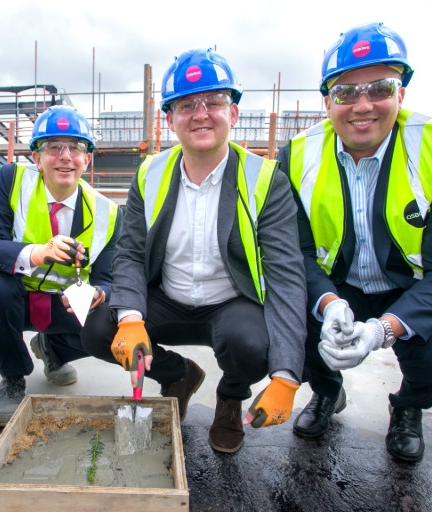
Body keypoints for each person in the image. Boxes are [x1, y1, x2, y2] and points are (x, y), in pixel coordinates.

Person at [279, 22, 432, 463]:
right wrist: (328, 303)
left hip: (417, 287)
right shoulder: (299, 154)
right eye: (346, 92)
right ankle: (328, 392)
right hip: (341, 286)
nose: (362, 105)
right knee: (283, 318)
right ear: (327, 101)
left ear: (400, 93)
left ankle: (407, 407)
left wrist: (383, 329)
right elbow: (296, 255)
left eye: (379, 88)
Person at [80, 48, 307, 454]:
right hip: (167, 298)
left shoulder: (264, 179)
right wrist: (131, 318)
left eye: (214, 101)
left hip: (229, 304)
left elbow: (286, 275)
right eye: (186, 105)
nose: (201, 114)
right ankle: (178, 374)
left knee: (253, 344)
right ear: (169, 119)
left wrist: (287, 373)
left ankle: (230, 398)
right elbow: (130, 252)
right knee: (100, 329)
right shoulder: (150, 173)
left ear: (233, 113)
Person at [0, 105, 121, 426]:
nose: (65, 156)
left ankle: (53, 350)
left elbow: (109, 277)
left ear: (88, 159)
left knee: (109, 320)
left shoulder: (108, 213)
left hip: (63, 305)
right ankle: (13, 376)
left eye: (76, 147)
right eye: (53, 147)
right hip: (16, 299)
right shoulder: (13, 181)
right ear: (37, 158)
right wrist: (37, 253)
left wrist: (98, 292)